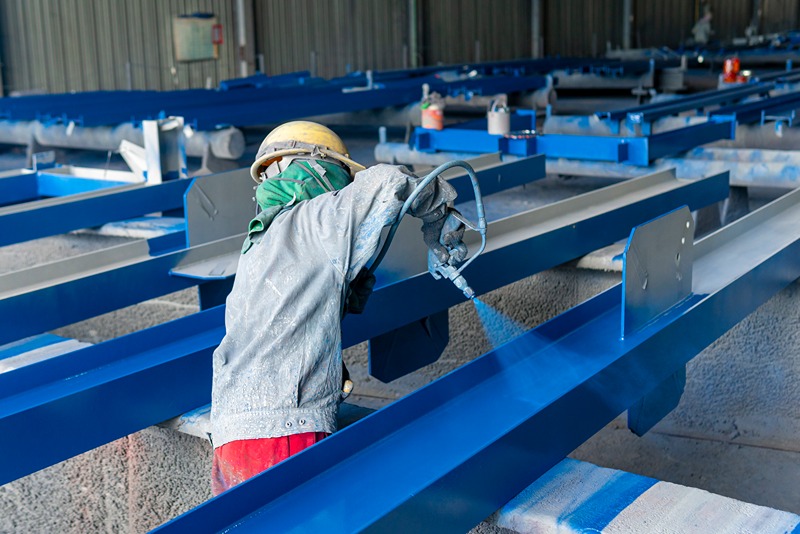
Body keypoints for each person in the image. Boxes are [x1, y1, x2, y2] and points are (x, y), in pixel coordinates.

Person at [209, 121, 465, 494]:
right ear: (318, 168)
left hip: (232, 432)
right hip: (283, 436)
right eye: (342, 176)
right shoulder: (315, 221)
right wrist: (439, 218)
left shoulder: (262, 241)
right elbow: (391, 182)